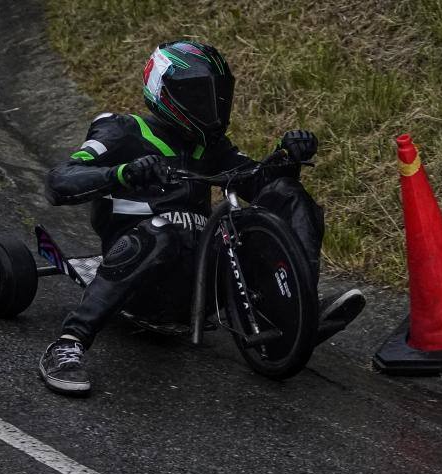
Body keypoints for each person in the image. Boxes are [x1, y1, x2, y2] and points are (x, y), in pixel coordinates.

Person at [40, 40, 365, 395]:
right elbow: (60, 181)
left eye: (216, 95)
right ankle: (68, 345)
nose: (210, 106)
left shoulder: (212, 149)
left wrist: (287, 158)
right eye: (198, 96)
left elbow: (259, 184)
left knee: (287, 194)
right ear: (164, 93)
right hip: (140, 279)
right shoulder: (121, 129)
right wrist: (122, 173)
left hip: (201, 283)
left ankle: (298, 309)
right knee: (163, 229)